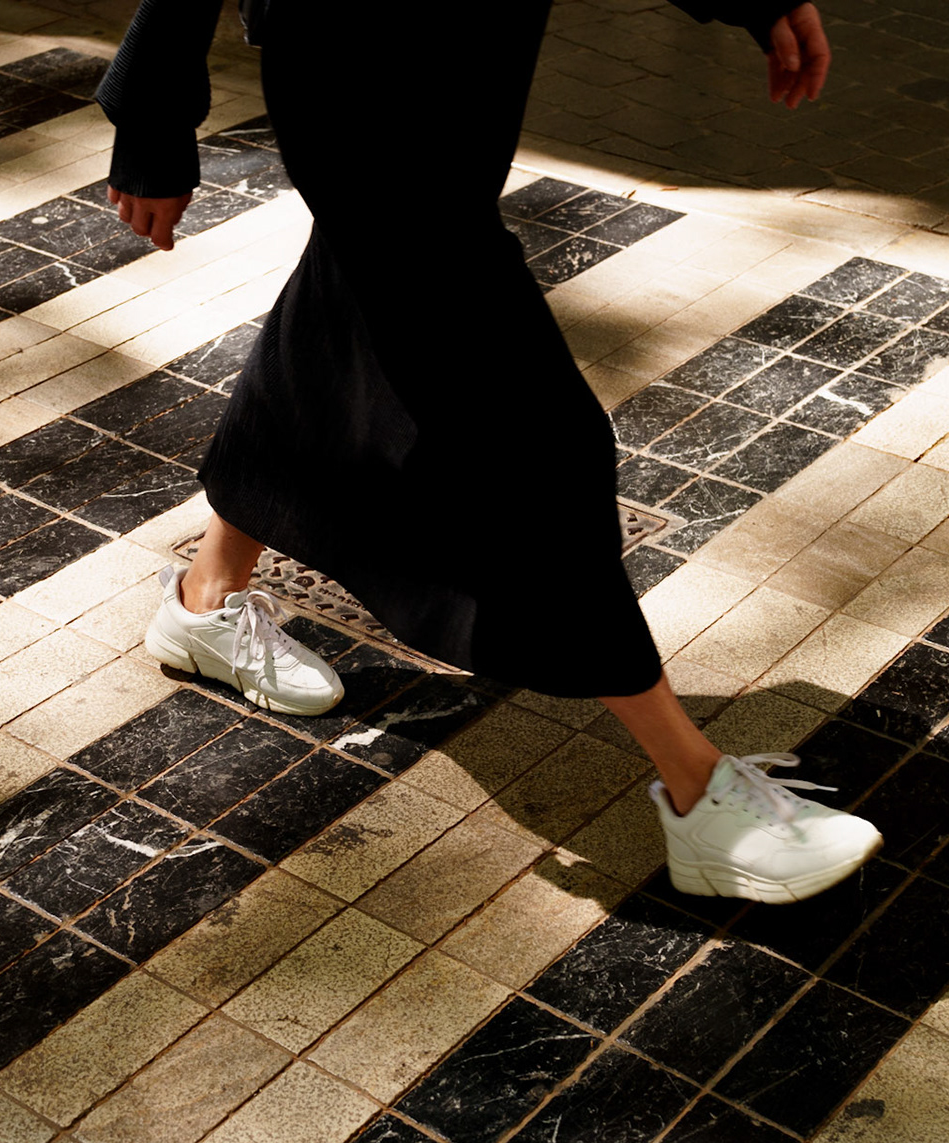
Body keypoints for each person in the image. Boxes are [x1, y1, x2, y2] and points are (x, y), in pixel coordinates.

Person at [96, 0, 880, 905]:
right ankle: (699, 790)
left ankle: (206, 598)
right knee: (525, 429)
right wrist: (153, 115)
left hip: (475, 45)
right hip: (353, 51)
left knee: (350, 305)